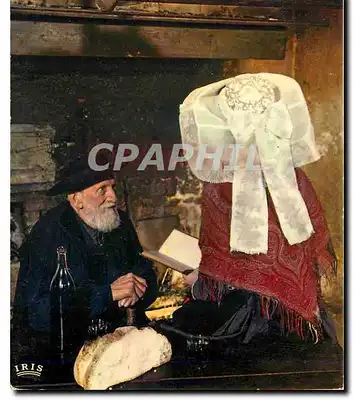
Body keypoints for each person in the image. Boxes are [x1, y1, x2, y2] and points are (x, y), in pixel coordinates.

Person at [161, 73, 338, 349]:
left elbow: (217, 276)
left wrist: (197, 280)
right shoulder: (297, 179)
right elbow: (311, 251)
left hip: (242, 326)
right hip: (299, 321)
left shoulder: (219, 186)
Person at [12, 155, 158, 354]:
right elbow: (36, 313)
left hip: (120, 341)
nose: (114, 198)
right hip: (68, 349)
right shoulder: (48, 232)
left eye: (112, 187)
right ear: (77, 200)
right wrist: (107, 294)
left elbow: (145, 272)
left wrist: (138, 288)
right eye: (102, 190)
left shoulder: (120, 222)